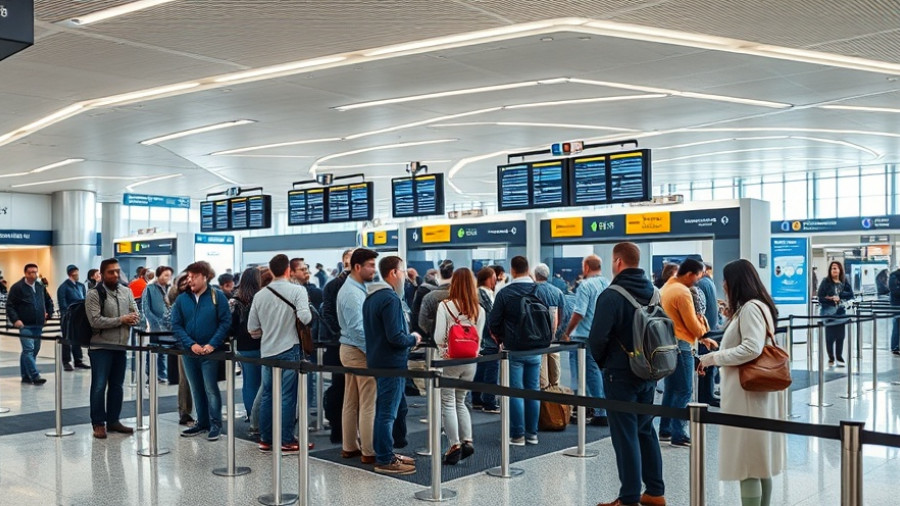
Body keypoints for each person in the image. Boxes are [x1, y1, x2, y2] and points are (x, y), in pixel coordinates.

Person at [699, 259, 785, 506]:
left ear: (735, 282)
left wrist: (712, 358)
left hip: (748, 396)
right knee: (759, 462)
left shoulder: (750, 309)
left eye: (726, 280)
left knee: (748, 463)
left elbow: (751, 348)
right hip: (755, 395)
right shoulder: (756, 307)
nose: (723, 285)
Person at [589, 242, 666, 506]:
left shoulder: (611, 295)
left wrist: (604, 363)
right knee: (645, 430)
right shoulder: (654, 292)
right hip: (650, 371)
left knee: (625, 435)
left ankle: (629, 497)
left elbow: (597, 339)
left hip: (620, 374)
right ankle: (655, 491)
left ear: (618, 262)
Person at [248, 254, 312, 453]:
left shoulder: (260, 295)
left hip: (267, 350)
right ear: (287, 270)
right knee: (287, 397)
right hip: (289, 348)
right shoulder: (297, 291)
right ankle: (286, 439)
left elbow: (252, 329)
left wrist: (268, 331)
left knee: (267, 394)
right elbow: (305, 317)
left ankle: (266, 439)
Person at [364, 255, 421, 475]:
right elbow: (396, 336)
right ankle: (384, 458)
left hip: (379, 360)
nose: (405, 276)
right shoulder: (390, 299)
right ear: (393, 273)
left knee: (395, 408)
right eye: (403, 272)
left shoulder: (372, 298)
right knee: (387, 413)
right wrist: (413, 339)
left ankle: (388, 451)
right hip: (391, 362)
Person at [488, 256, 549, 446]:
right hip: (536, 348)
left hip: (513, 348)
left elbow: (494, 322)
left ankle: (518, 435)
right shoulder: (541, 291)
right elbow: (551, 317)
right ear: (528, 268)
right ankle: (533, 434)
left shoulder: (505, 293)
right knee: (533, 390)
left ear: (512, 270)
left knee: (515, 391)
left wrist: (500, 339)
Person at [658, 258, 715, 448]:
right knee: (684, 390)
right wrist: (704, 331)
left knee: (671, 389)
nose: (697, 281)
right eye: (697, 277)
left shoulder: (667, 287)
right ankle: (678, 433)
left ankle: (665, 429)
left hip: (667, 344)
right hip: (682, 346)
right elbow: (693, 323)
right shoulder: (682, 292)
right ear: (690, 274)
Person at [171, 261, 231, 441]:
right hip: (190, 352)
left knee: (210, 388)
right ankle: (202, 422)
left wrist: (212, 344)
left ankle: (215, 424)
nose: (190, 280)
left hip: (210, 352)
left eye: (194, 276)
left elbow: (225, 322)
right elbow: (176, 324)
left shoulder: (217, 296)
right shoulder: (182, 299)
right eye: (189, 276)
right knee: (196, 388)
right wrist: (190, 344)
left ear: (205, 277)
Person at [434, 267, 484, 465]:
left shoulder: (445, 306)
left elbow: (439, 336)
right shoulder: (479, 310)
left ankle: (454, 444)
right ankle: (467, 440)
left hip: (450, 360)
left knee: (447, 401)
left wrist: (443, 350)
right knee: (461, 401)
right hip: (471, 362)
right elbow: (479, 339)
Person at [86, 258, 138, 439]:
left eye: (117, 271)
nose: (115, 274)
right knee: (99, 385)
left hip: (121, 346)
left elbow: (136, 312)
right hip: (100, 346)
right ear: (102, 274)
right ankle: (98, 423)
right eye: (111, 272)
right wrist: (122, 320)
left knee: (117, 385)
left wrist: (134, 318)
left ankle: (114, 420)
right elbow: (95, 321)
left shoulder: (126, 291)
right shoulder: (94, 294)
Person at [337, 248, 379, 463]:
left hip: (349, 349)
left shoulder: (355, 288)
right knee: (367, 402)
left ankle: (350, 446)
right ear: (357, 267)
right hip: (358, 351)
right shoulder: (353, 293)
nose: (374, 269)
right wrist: (374, 353)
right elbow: (358, 330)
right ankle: (369, 451)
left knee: (351, 400)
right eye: (370, 265)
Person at [561, 255, 609, 425]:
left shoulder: (585, 286)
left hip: (583, 336)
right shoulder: (607, 284)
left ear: (586, 267)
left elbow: (579, 313)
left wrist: (567, 331)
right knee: (599, 372)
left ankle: (595, 411)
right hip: (602, 336)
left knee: (584, 373)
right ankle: (599, 408)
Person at [321, 248, 354, 444]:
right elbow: (328, 315)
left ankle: (350, 431)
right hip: (339, 345)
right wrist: (343, 335)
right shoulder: (334, 285)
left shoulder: (363, 284)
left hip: (348, 344)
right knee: (340, 387)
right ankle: (338, 429)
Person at [7, 263, 54, 385]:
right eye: (31, 272)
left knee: (33, 350)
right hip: (25, 325)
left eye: (35, 272)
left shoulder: (40, 286)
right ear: (26, 273)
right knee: (28, 349)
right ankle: (35, 376)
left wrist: (49, 313)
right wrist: (16, 319)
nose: (34, 274)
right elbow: (10, 305)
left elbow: (48, 301)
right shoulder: (18, 288)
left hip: (38, 324)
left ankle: (25, 375)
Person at [231, 267, 263, 435]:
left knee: (249, 383)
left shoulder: (235, 299)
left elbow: (232, 326)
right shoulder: (261, 297)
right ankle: (259, 419)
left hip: (243, 346)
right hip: (261, 345)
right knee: (263, 384)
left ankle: (251, 416)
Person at [166, 273, 195, 425]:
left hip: (200, 341)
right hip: (184, 343)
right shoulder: (177, 300)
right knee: (185, 379)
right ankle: (184, 412)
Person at [471, 267, 500, 413]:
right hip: (488, 340)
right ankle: (489, 402)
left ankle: (476, 399)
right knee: (491, 372)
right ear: (489, 278)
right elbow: (491, 318)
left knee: (480, 370)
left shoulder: (476, 294)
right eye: (494, 276)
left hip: (478, 340)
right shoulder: (485, 295)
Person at [533, 263, 564, 390]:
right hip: (554, 335)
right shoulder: (557, 292)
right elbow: (562, 314)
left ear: (536, 275)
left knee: (542, 371)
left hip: (537, 336)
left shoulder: (532, 291)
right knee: (555, 368)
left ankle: (544, 401)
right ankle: (556, 395)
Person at [817, 261, 854, 366]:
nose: (835, 270)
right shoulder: (825, 282)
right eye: (833, 268)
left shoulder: (845, 282)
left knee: (840, 336)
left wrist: (840, 298)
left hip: (841, 312)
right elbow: (820, 297)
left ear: (840, 270)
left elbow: (851, 295)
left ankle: (839, 356)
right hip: (828, 312)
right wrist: (830, 299)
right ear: (830, 270)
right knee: (829, 336)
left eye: (837, 268)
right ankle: (831, 358)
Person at [142, 266, 173, 383]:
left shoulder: (169, 289)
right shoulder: (149, 288)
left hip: (167, 326)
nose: (168, 278)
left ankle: (162, 374)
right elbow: (146, 308)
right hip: (155, 326)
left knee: (164, 351)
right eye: (165, 275)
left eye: (169, 275)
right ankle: (151, 374)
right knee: (154, 350)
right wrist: (154, 322)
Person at [696, 263, 721, 406]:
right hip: (713, 330)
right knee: (709, 367)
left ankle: (703, 396)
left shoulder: (700, 284)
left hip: (705, 332)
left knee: (704, 366)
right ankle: (708, 395)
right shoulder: (709, 282)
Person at [58, 264, 90, 371]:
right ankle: (66, 361)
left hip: (79, 317)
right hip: (68, 318)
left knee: (77, 338)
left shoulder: (81, 286)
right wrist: (67, 315)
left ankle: (78, 360)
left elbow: (84, 300)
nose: (78, 274)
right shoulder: (63, 287)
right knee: (67, 339)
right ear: (72, 273)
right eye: (76, 272)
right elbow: (63, 304)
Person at [889, 266, 900, 355]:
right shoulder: (894, 275)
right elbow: (894, 290)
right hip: (897, 305)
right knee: (896, 324)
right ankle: (895, 346)